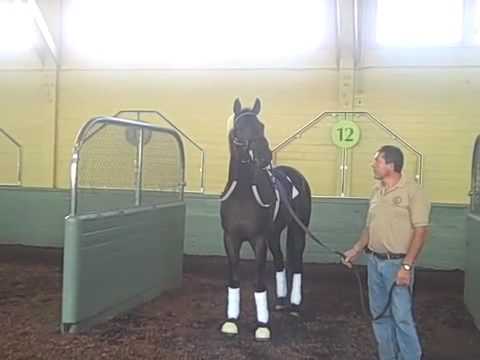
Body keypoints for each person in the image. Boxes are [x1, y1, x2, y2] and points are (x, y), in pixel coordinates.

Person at [343, 145, 431, 360]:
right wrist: (356, 250)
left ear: (391, 165)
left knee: (401, 317)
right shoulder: (376, 191)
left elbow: (421, 231)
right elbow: (369, 229)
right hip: (374, 262)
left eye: (377, 161)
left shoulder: (413, 191)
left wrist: (407, 267)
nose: (373, 165)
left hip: (397, 265)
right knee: (380, 316)